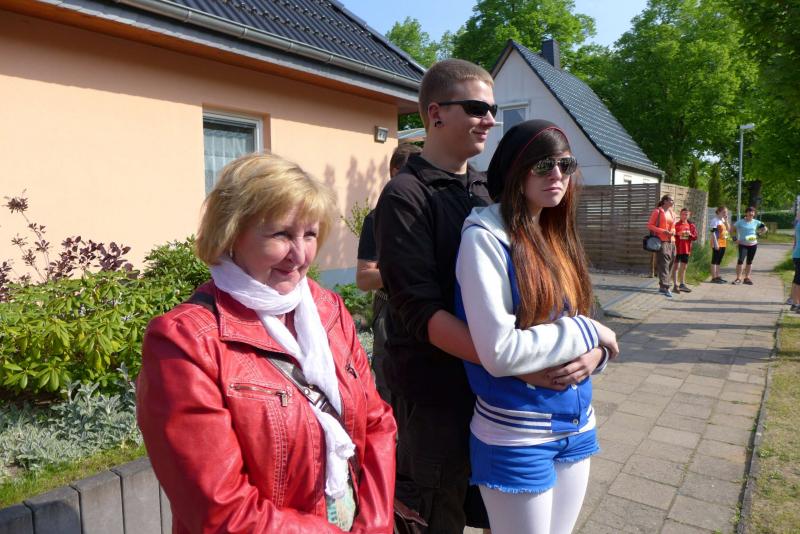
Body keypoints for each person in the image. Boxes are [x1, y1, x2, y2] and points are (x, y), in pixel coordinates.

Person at [137, 153, 396, 533]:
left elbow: (377, 423)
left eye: (310, 235)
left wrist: (375, 523)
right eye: (281, 235)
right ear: (230, 234)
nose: (300, 255)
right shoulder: (185, 342)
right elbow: (221, 511)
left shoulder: (327, 309)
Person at [455, 119, 619, 534]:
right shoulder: (485, 238)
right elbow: (500, 352)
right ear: (514, 169)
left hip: (579, 424)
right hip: (516, 433)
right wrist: (589, 331)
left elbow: (582, 320)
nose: (558, 175)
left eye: (566, 164)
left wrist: (596, 355)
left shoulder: (555, 232)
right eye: (544, 164)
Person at [374, 58, 498, 532]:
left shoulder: (489, 190)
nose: (489, 119)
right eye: (477, 108)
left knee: (497, 510)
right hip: (434, 398)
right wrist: (511, 358)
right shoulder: (404, 196)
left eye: (492, 109)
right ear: (435, 113)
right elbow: (418, 309)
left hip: (491, 392)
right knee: (435, 518)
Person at [356, 143, 422, 403]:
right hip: (390, 309)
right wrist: (408, 269)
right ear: (394, 172)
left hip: (425, 308)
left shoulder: (427, 214)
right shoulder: (377, 218)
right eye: (410, 172)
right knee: (390, 385)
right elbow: (364, 278)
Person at [648, 195, 677, 297]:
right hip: (661, 241)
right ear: (665, 201)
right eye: (671, 200)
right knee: (664, 264)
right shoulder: (657, 211)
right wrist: (663, 231)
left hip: (672, 241)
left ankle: (662, 285)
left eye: (673, 200)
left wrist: (673, 231)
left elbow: (673, 227)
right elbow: (650, 225)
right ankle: (666, 287)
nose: (673, 202)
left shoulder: (673, 213)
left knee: (671, 263)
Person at [732, 206, 767, 285]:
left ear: (754, 214)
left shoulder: (756, 222)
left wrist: (759, 234)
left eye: (753, 212)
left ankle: (747, 278)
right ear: (746, 213)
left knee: (749, 262)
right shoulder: (740, 222)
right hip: (743, 244)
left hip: (753, 244)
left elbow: (765, 229)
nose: (751, 213)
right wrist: (735, 239)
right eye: (749, 212)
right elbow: (732, 229)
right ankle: (738, 278)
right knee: (740, 261)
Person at [671, 208, 698, 294]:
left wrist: (690, 234)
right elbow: (671, 234)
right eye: (683, 214)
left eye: (686, 214)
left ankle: (682, 284)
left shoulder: (691, 225)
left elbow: (695, 237)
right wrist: (676, 234)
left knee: (684, 267)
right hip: (677, 248)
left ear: (689, 215)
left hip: (686, 249)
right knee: (676, 267)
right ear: (680, 215)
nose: (684, 216)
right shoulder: (676, 225)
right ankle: (675, 285)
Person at [709, 205, 731, 284]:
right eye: (724, 212)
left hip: (723, 242)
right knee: (714, 260)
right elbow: (713, 232)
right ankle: (713, 277)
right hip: (717, 242)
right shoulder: (715, 220)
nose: (725, 214)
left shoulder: (722, 220)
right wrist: (716, 243)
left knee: (719, 260)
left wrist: (726, 221)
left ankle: (717, 276)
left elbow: (728, 230)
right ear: (718, 212)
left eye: (726, 212)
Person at [791, 212, 800, 312]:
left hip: (797, 254)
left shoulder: (798, 221)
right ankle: (797, 304)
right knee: (798, 280)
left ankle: (794, 303)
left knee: (797, 279)